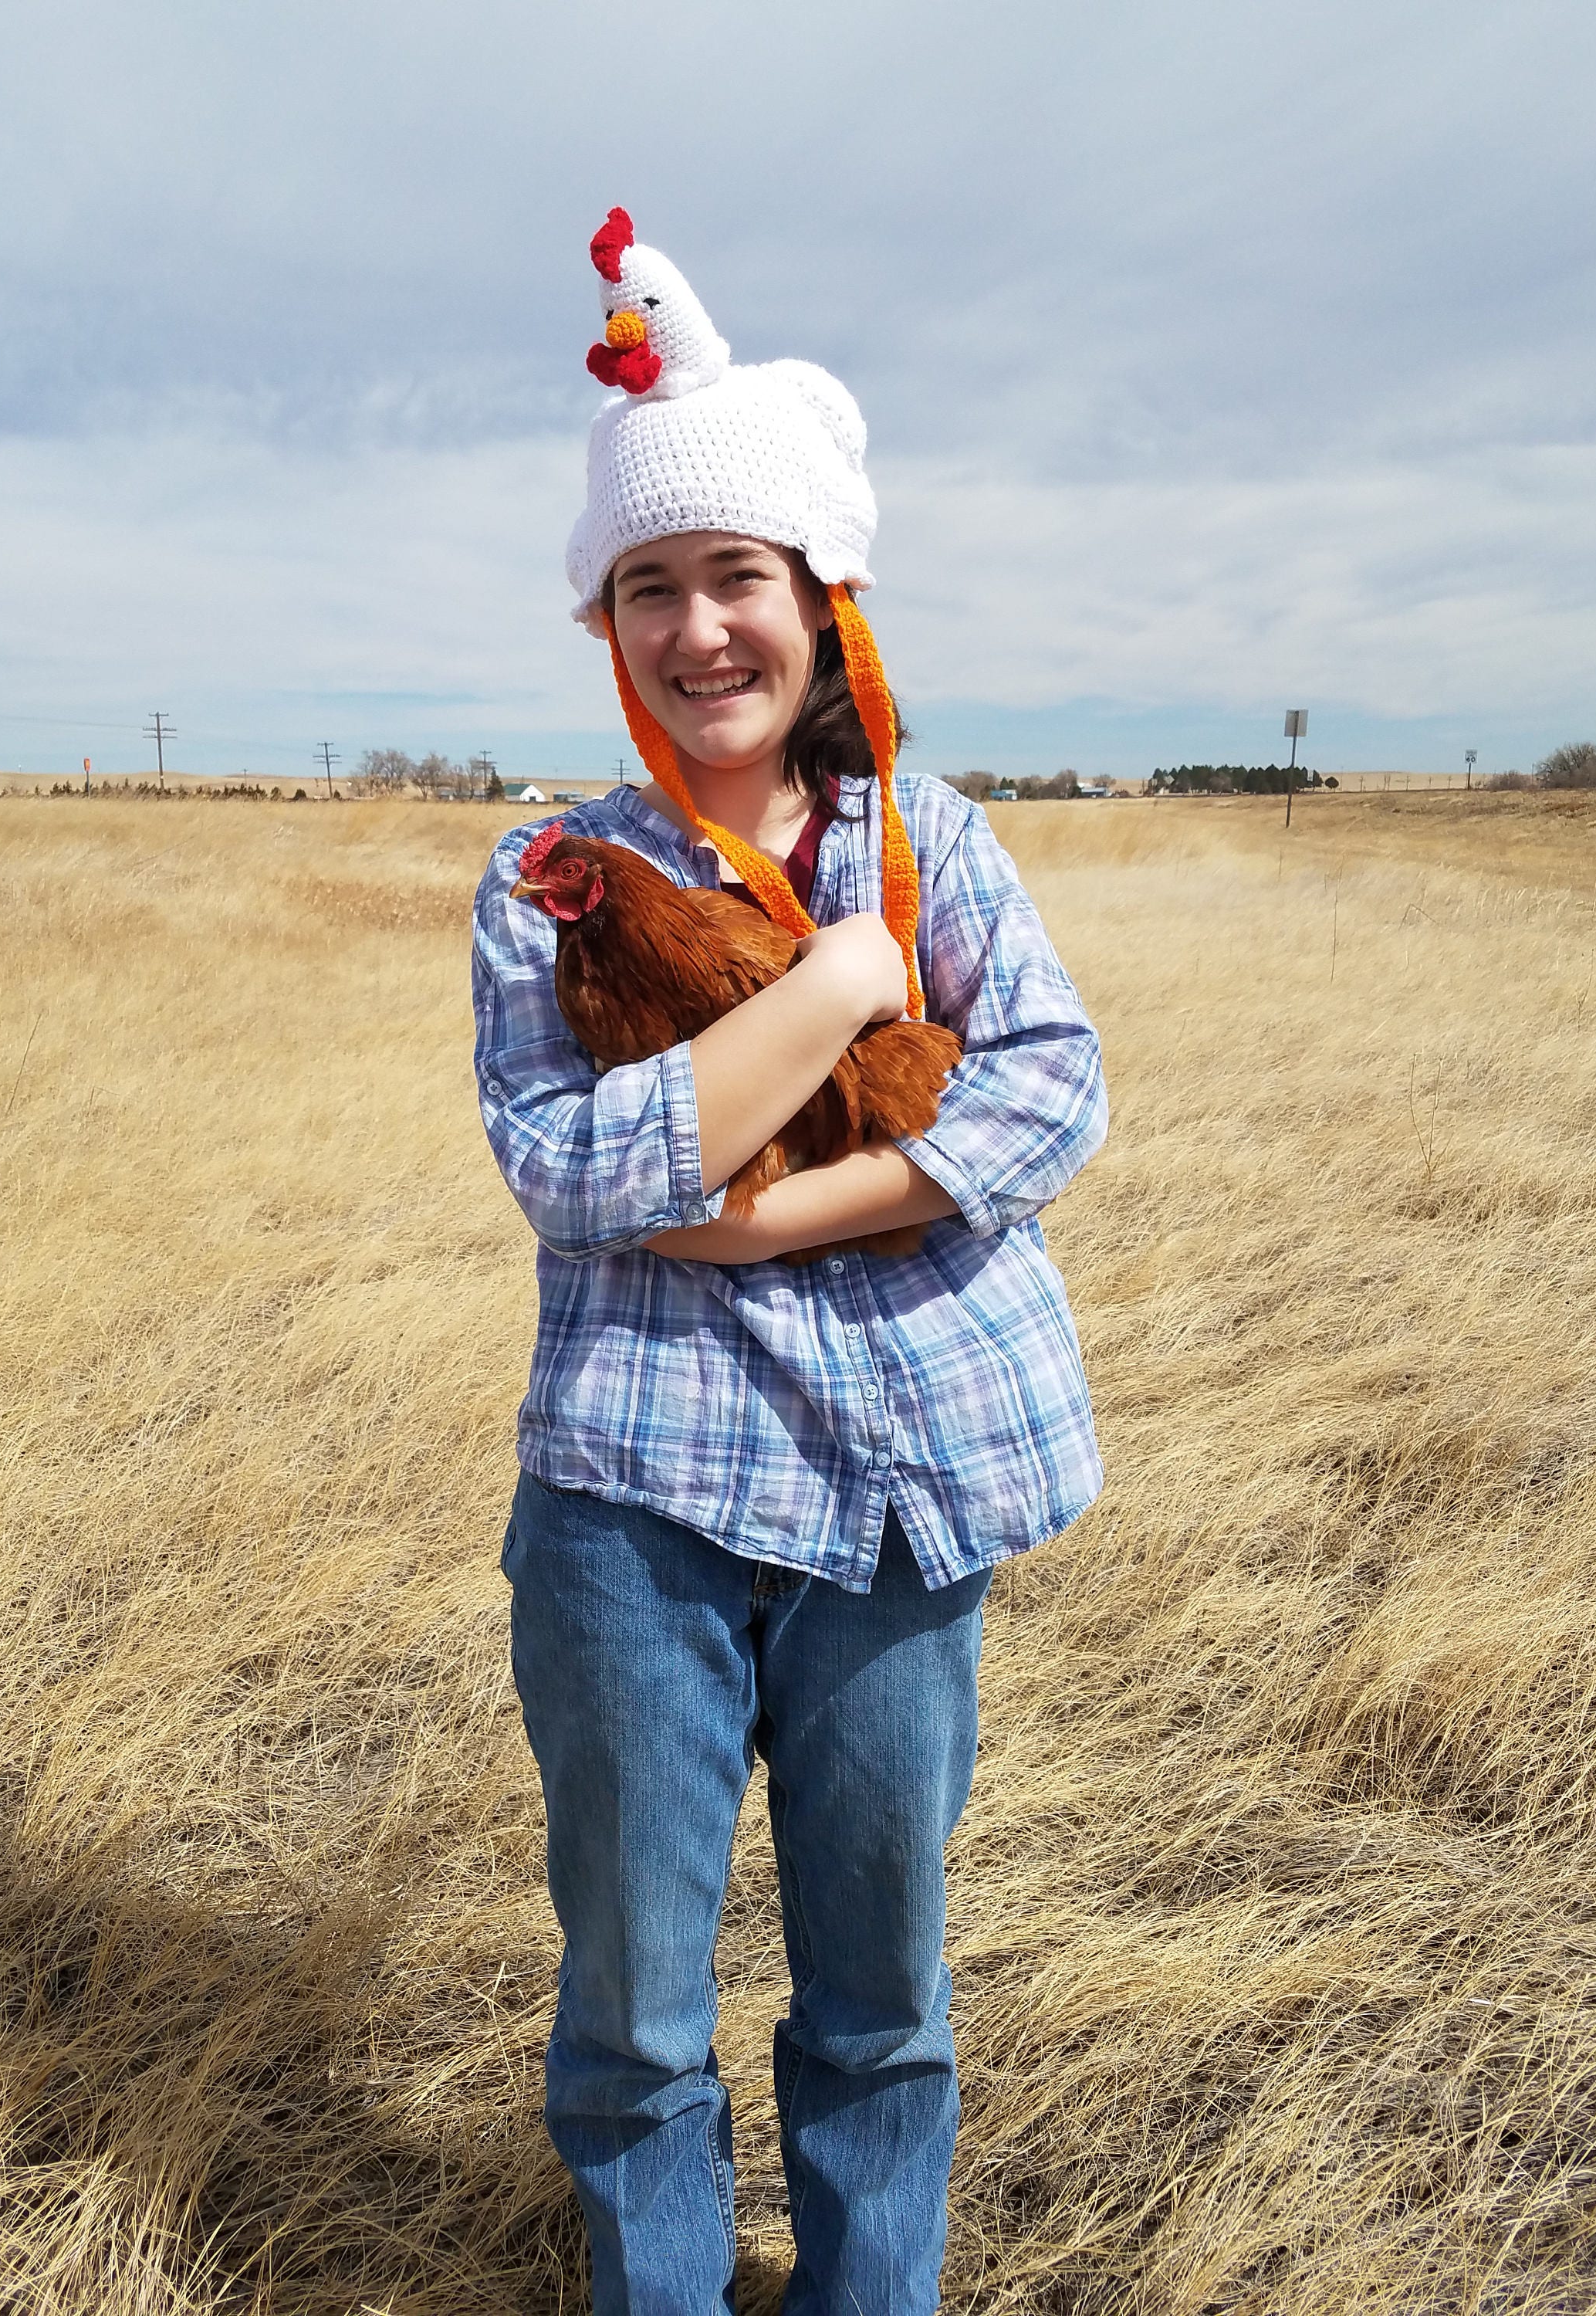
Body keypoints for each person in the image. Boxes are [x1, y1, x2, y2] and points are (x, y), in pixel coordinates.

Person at [472, 208, 1107, 2316]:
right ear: (607, 624)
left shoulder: (933, 840)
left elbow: (1050, 1096)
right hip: (636, 1508)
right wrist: (837, 992)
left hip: (904, 1506)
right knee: (635, 2009)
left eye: (735, 574)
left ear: (820, 601)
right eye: (645, 585)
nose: (696, 626)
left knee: (882, 1998)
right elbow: (567, 1172)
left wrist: (753, 1214)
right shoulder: (549, 876)